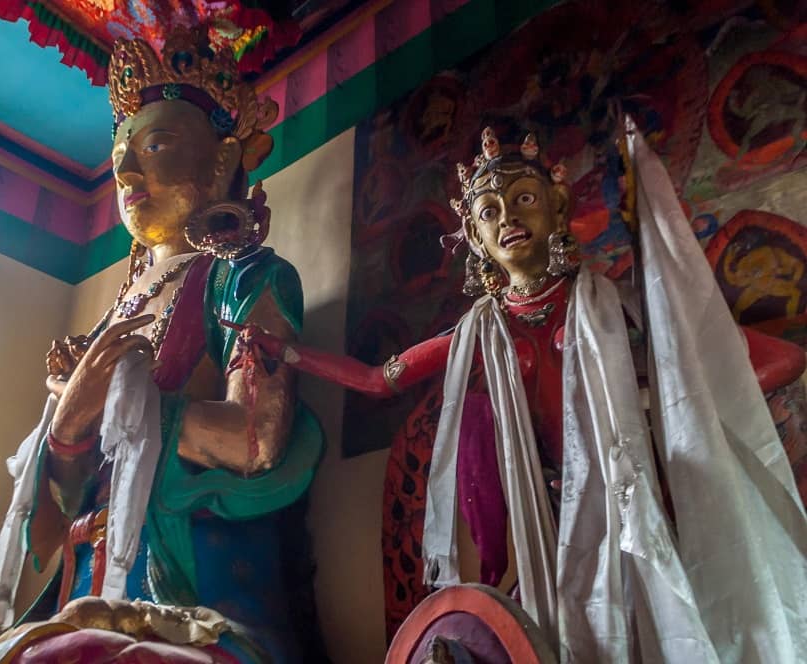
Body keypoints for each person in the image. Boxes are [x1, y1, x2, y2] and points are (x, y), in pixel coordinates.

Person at [237, 123, 807, 662]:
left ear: (558, 208)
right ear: (476, 239)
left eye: (525, 199)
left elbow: (782, 361)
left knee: (663, 626)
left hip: (637, 495)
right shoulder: (478, 332)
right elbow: (376, 380)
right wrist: (285, 352)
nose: (508, 217)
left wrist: (669, 411)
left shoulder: (612, 306)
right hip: (547, 516)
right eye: (489, 211)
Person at [0, 27, 324, 664]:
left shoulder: (247, 277)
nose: (126, 170)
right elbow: (67, 497)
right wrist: (70, 423)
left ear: (221, 161)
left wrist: (125, 403)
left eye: (155, 145)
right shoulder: (121, 309)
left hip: (189, 596)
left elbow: (257, 443)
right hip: (85, 586)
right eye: (122, 151)